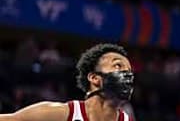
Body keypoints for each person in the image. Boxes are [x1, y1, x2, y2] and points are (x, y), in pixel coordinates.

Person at [0, 43, 135, 121]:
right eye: (118, 66)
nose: (127, 74)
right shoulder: (60, 114)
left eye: (129, 71)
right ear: (95, 78)